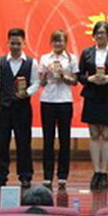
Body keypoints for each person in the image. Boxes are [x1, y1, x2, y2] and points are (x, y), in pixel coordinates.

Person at [0, 28, 40, 189]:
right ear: (8, 43)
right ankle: (0, 176)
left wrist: (27, 93)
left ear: (24, 43)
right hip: (3, 109)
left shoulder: (31, 62)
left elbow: (36, 83)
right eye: (12, 43)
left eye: (18, 43)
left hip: (23, 109)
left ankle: (25, 176)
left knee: (24, 143)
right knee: (2, 143)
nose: (15, 46)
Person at [78, 21, 108, 190]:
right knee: (94, 134)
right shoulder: (87, 52)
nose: (100, 36)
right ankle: (96, 171)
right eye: (97, 33)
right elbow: (80, 76)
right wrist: (90, 79)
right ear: (94, 35)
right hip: (92, 94)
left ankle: (104, 172)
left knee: (106, 135)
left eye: (103, 33)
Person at [38, 29, 79, 189]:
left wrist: (63, 75)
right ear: (51, 42)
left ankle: (62, 175)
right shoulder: (44, 58)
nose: (58, 44)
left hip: (64, 100)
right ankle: (47, 175)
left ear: (65, 42)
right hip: (47, 100)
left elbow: (75, 81)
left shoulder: (71, 58)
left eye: (61, 41)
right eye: (55, 41)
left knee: (64, 138)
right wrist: (45, 74)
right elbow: (41, 83)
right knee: (48, 139)